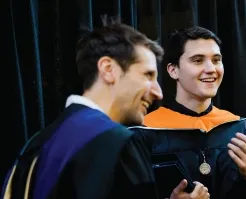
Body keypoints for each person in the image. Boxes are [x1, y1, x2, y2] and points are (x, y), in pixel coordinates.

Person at [2, 17, 209, 199]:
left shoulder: (35, 145)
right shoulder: (119, 143)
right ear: (108, 70)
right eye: (147, 75)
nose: (158, 93)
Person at [133, 26, 246, 199]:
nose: (211, 69)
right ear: (173, 70)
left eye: (216, 60)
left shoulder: (239, 129)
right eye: (198, 60)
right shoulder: (145, 132)